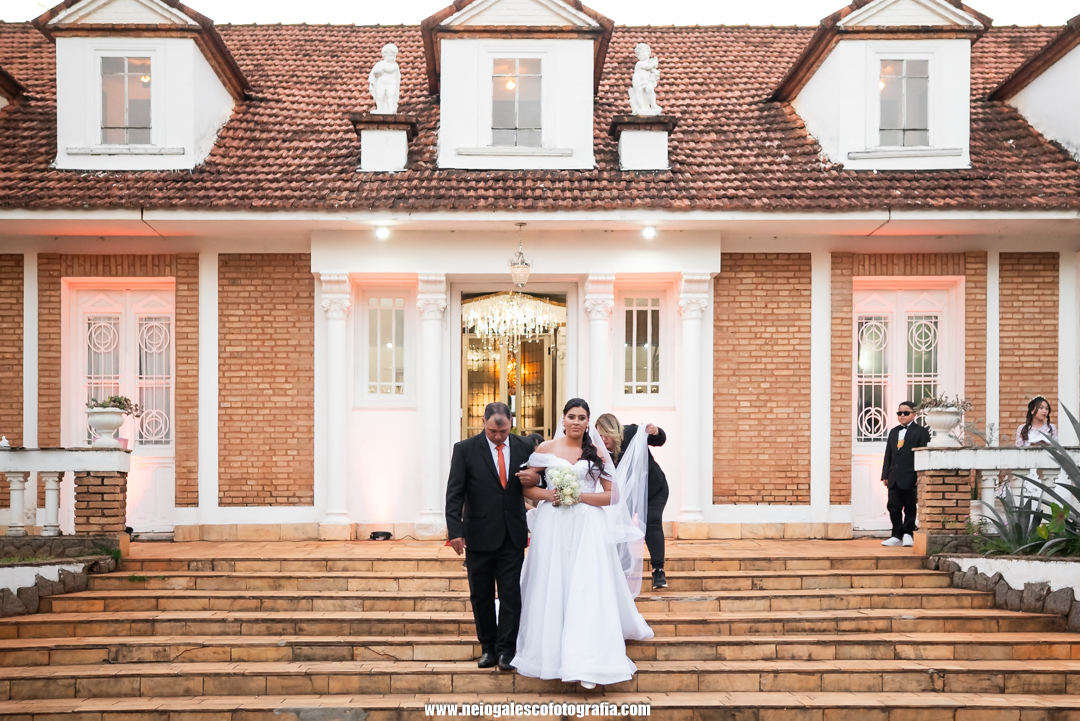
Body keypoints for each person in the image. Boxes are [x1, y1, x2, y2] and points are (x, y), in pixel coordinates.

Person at [512, 399, 654, 689]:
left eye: (582, 417)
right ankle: (550, 651)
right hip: (553, 525)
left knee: (587, 584)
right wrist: (549, 495)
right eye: (571, 416)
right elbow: (527, 486)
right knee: (554, 581)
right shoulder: (545, 449)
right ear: (563, 419)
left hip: (588, 525)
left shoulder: (597, 452)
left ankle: (588, 654)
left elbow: (613, 495)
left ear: (588, 422)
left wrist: (579, 497)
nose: (576, 422)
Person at [444, 402, 540, 672]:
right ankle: (488, 647)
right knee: (481, 595)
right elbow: (454, 492)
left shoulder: (524, 446)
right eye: (492, 431)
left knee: (511, 595)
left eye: (503, 431)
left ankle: (507, 651)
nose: (498, 437)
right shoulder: (464, 449)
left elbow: (540, 480)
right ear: (483, 423)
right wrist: (455, 531)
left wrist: (534, 479)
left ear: (511, 423)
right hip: (478, 533)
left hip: (512, 533)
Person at [596, 413, 670, 590]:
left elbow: (659, 440)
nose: (603, 439)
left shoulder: (632, 432)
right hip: (626, 494)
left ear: (614, 431)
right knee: (618, 524)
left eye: (606, 435)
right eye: (600, 435)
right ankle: (622, 564)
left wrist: (655, 431)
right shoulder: (598, 449)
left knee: (652, 522)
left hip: (654, 489)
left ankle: (658, 570)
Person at [880, 401, 931, 547]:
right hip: (894, 476)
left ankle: (908, 533)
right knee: (893, 506)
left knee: (909, 506)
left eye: (906, 413)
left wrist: (919, 475)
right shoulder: (893, 432)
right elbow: (888, 454)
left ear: (914, 414)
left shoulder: (921, 432)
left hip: (910, 476)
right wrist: (885, 474)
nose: (902, 415)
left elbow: (923, 455)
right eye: (899, 413)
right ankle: (896, 534)